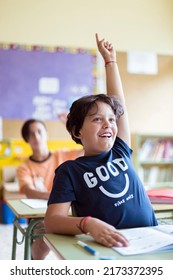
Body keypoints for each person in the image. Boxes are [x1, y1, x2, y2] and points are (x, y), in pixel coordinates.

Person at [44, 33, 158, 249]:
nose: (108, 124)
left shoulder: (120, 150)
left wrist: (111, 62)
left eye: (111, 120)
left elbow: (119, 103)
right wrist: (88, 224)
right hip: (113, 248)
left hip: (152, 239)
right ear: (78, 131)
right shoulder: (70, 171)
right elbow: (52, 221)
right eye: (97, 119)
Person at [17, 118, 82, 259]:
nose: (36, 137)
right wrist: (58, 197)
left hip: (67, 213)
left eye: (40, 132)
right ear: (26, 139)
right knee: (45, 236)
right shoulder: (24, 167)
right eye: (31, 134)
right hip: (39, 216)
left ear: (46, 134)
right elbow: (28, 191)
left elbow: (87, 146)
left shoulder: (63, 155)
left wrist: (71, 126)